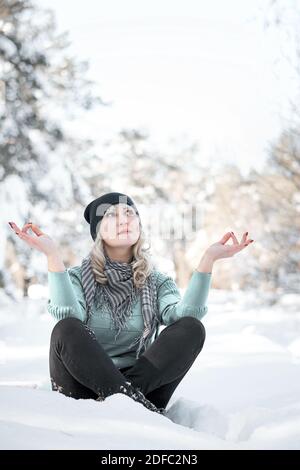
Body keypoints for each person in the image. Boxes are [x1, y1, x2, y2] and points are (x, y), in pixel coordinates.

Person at [8, 192, 254, 416]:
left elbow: (185, 316)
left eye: (130, 213)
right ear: (97, 232)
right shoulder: (76, 278)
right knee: (67, 329)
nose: (124, 219)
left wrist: (208, 259)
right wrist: (53, 257)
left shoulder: (157, 282)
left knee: (191, 327)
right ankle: (133, 408)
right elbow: (69, 315)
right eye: (112, 215)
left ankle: (126, 404)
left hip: (144, 386)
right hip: (81, 393)